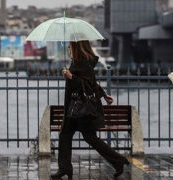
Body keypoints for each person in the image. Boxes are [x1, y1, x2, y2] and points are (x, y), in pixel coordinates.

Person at [51, 40, 129, 179]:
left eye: (70, 45)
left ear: (77, 46)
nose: (68, 47)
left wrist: (71, 77)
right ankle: (65, 168)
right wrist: (104, 95)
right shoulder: (78, 62)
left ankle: (118, 161)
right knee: (65, 135)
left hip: (80, 109)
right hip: (74, 109)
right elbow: (92, 83)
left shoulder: (83, 63)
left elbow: (86, 84)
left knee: (89, 138)